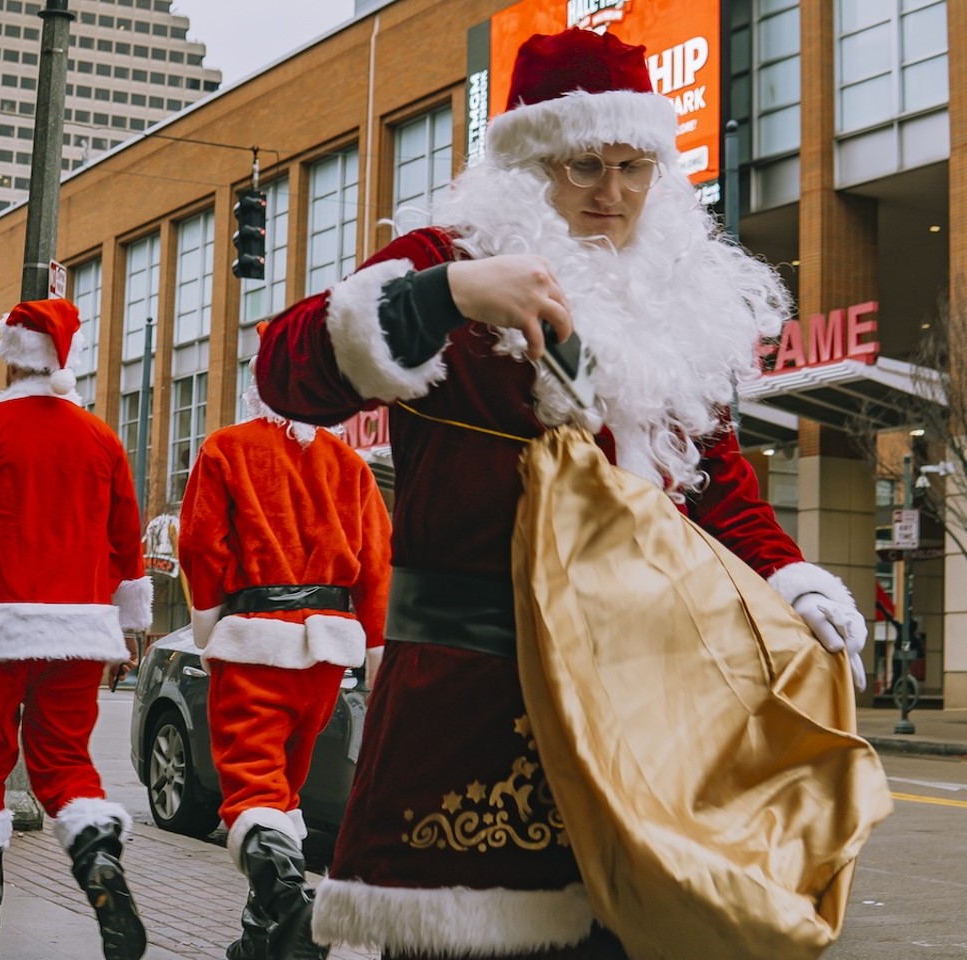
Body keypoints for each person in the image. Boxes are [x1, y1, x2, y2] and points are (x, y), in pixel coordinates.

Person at [254, 28, 869, 960]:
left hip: (649, 712)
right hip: (475, 711)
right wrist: (451, 292)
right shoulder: (450, 257)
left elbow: (719, 487)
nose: (612, 193)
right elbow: (285, 371)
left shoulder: (678, 295)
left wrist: (795, 584)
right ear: (527, 162)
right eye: (585, 164)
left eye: (634, 166)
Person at [0, 298, 153, 960]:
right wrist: (129, 627)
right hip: (78, 631)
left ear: (12, 358)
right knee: (67, 762)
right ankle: (101, 865)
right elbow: (127, 542)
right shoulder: (101, 438)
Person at [178, 348, 392, 960]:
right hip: (327, 654)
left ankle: (295, 913)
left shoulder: (227, 448)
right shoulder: (349, 465)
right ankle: (261, 939)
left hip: (255, 640)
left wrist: (206, 623)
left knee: (250, 789)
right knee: (283, 792)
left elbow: (199, 542)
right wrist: (376, 655)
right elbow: (378, 565)